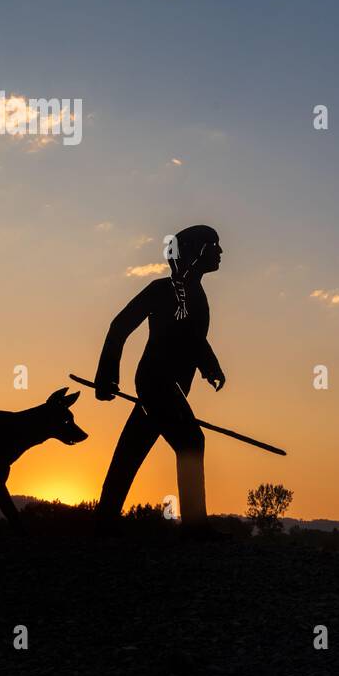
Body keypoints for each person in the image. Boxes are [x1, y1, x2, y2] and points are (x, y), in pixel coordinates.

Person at [93, 225, 226, 538]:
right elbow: (119, 326)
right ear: (195, 252)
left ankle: (104, 520)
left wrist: (209, 367)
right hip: (157, 383)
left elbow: (191, 338)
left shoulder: (196, 294)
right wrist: (107, 375)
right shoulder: (162, 290)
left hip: (170, 386)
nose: (220, 252)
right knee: (192, 441)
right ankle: (195, 526)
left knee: (130, 449)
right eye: (213, 246)